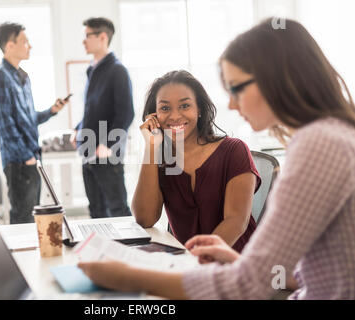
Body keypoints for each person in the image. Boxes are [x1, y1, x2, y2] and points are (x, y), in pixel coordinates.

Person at [78, 18, 355, 299]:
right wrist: (240, 263)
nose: (232, 104)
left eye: (236, 88)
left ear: (276, 79)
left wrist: (129, 277)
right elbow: (309, 274)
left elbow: (248, 283)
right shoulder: (331, 136)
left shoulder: (319, 145)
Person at [132, 70, 260, 252]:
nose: (175, 116)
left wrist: (196, 262)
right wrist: (151, 147)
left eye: (185, 106)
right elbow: (145, 219)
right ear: (154, 116)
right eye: (165, 108)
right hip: (189, 264)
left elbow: (236, 222)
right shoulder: (160, 160)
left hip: (237, 263)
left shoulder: (234, 151)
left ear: (199, 109)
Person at [0, 22, 67, 224]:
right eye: (25, 41)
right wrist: (26, 157)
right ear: (9, 45)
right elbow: (4, 123)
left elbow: (27, 119)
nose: (29, 46)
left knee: (33, 216)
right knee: (23, 218)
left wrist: (51, 111)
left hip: (32, 157)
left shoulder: (23, 76)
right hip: (19, 161)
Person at [74, 17, 134, 218]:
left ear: (102, 37)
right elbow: (93, 109)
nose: (83, 41)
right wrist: (78, 129)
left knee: (117, 211)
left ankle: (126, 250)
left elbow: (126, 113)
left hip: (107, 153)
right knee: (96, 212)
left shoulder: (117, 70)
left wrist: (108, 145)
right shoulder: (92, 69)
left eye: (87, 36)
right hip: (89, 151)